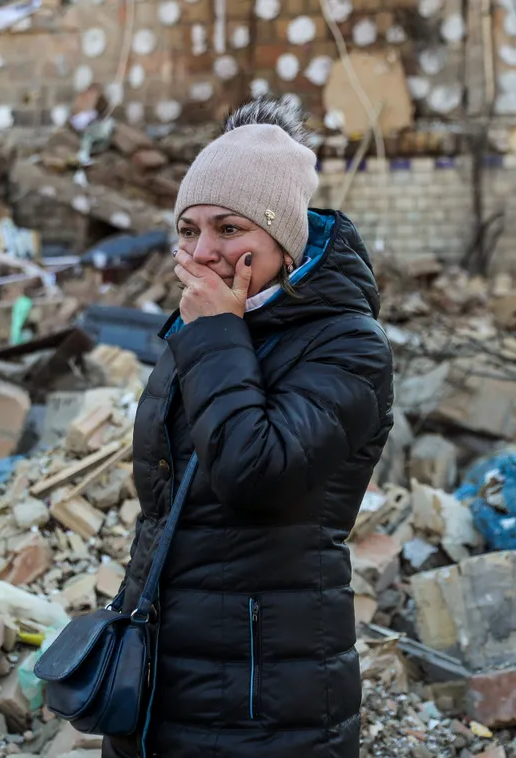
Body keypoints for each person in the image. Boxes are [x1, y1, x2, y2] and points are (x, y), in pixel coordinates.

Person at [102, 98, 395, 758]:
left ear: (281, 241)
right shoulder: (210, 328)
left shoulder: (346, 346)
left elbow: (252, 474)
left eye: (229, 228)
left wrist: (214, 333)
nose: (203, 252)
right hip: (164, 666)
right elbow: (164, 497)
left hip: (265, 695)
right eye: (187, 229)